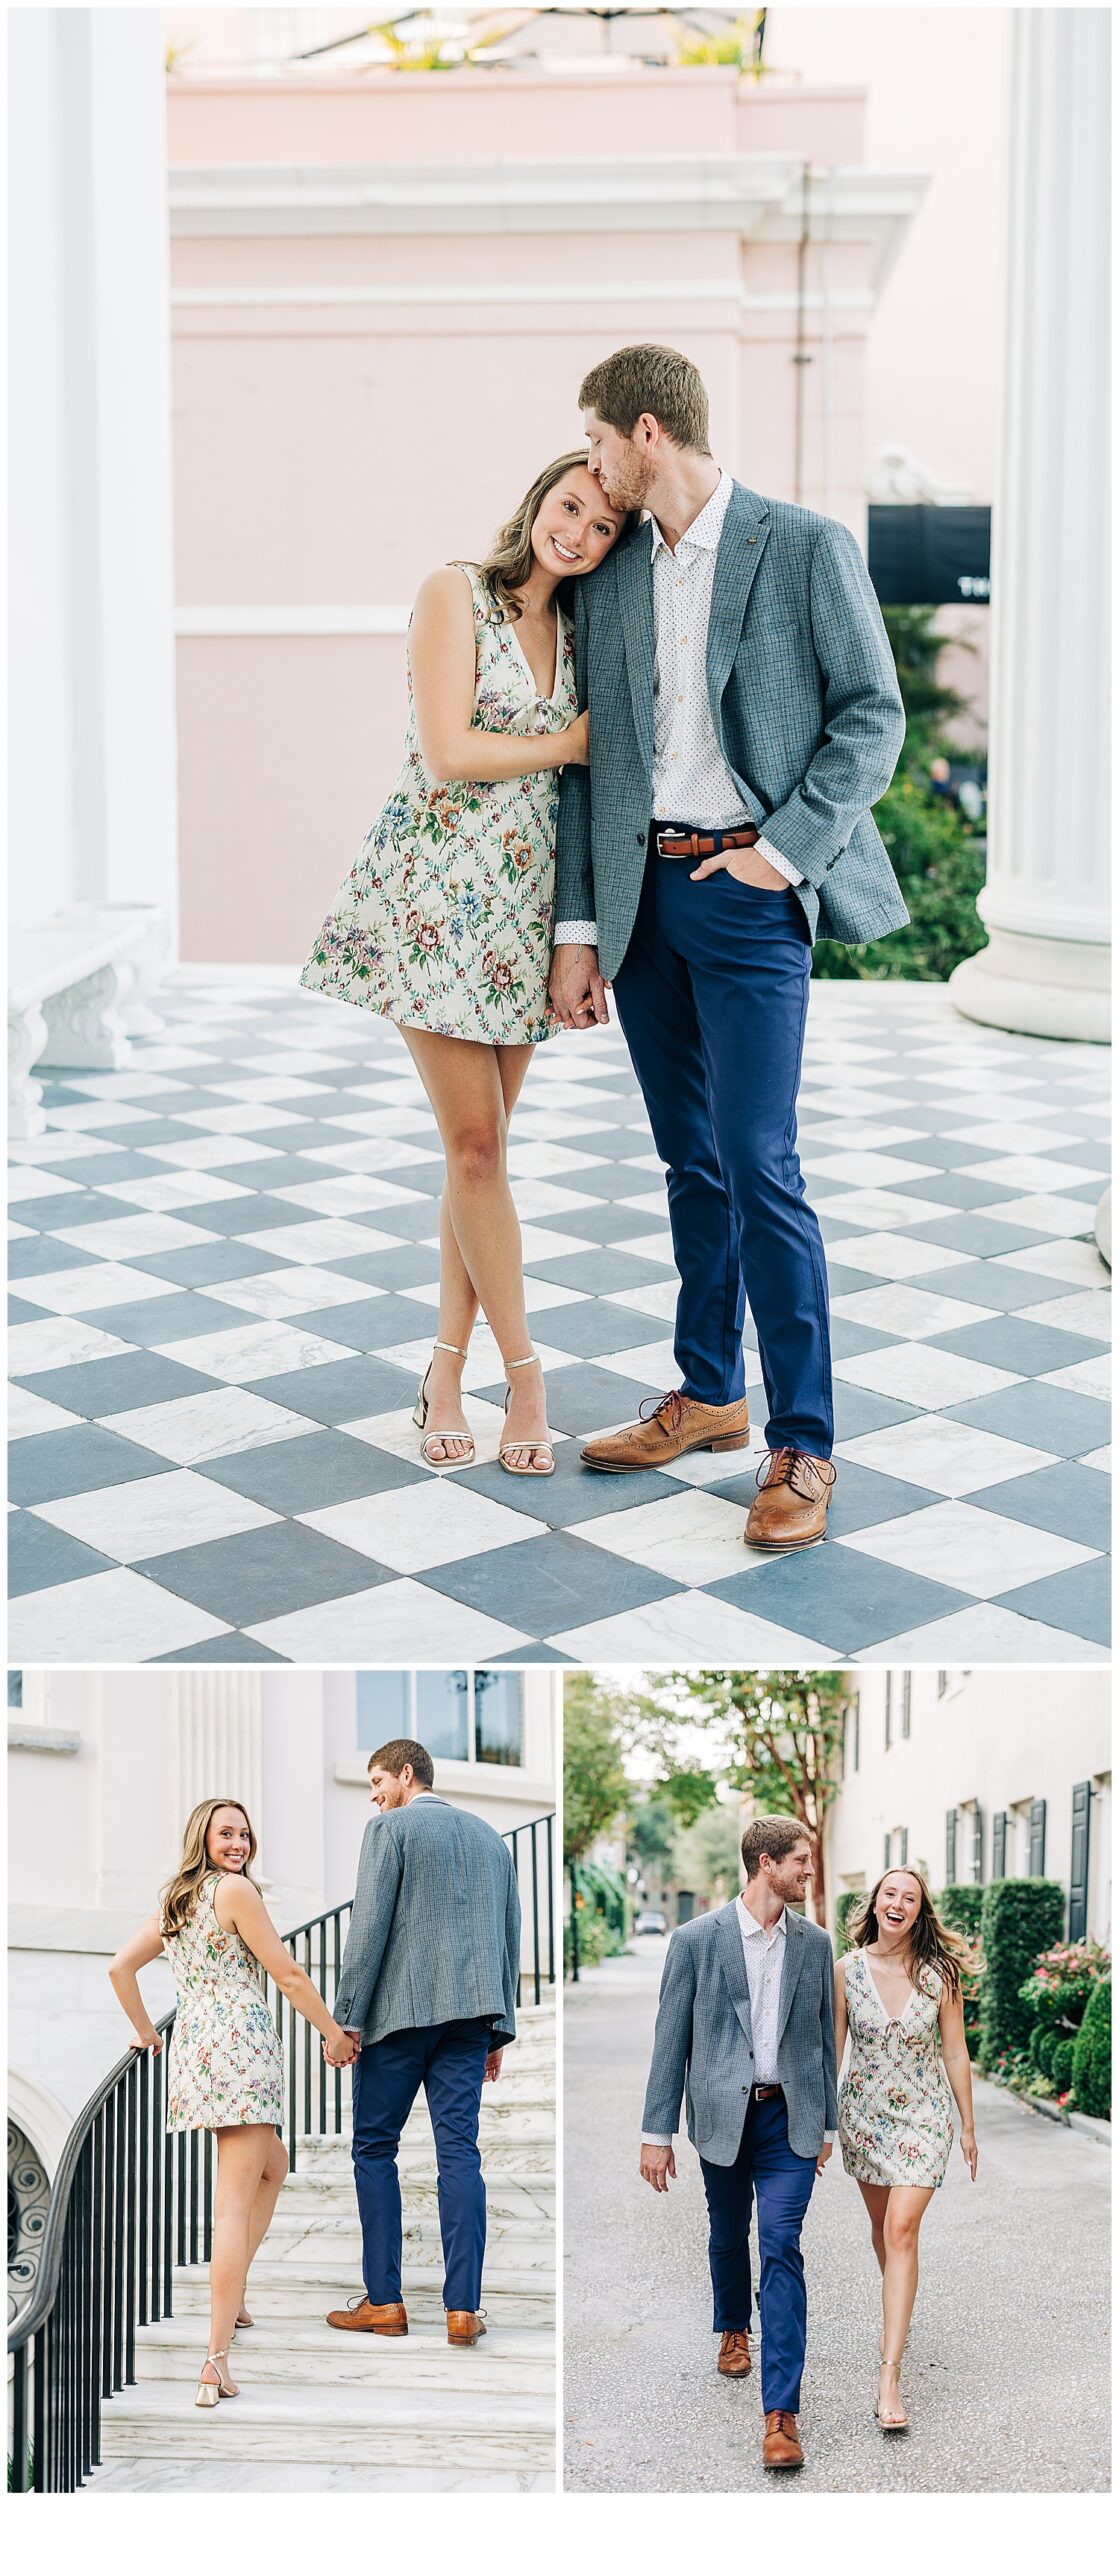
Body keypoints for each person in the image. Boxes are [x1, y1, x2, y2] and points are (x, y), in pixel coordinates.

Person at [549, 343, 909, 1548]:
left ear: (648, 431)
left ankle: (802, 1445)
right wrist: (583, 927)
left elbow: (873, 714)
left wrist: (783, 853)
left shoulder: (804, 548)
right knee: (689, 1165)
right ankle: (708, 1394)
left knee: (760, 1163)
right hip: (644, 899)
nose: (592, 471)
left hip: (752, 889)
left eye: (598, 444)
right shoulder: (612, 578)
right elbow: (594, 760)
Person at [302, 456, 629, 1478]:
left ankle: (445, 1368)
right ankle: (525, 1375)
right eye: (568, 506)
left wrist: (578, 933)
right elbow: (448, 749)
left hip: (519, 917)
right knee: (478, 1149)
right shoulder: (456, 592)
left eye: (602, 526)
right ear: (538, 502)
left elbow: (582, 794)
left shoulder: (582, 636)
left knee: (474, 1160)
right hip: (434, 896)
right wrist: (574, 741)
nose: (576, 531)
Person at [108, 1798, 356, 2408]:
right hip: (240, 2047)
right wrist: (332, 2033)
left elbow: (120, 1969)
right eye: (227, 1833)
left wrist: (146, 2032)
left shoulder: (178, 1899)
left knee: (275, 2165)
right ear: (204, 1837)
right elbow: (289, 1975)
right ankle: (214, 2360)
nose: (239, 1842)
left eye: (245, 1833)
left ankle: (234, 2294)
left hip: (197, 2048)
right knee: (231, 2208)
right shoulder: (235, 1891)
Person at [639, 1816, 837, 2473]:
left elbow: (818, 2040)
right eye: (800, 1861)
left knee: (780, 2244)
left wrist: (827, 2123)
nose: (809, 1871)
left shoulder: (814, 1944)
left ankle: (780, 2415)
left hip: (789, 2119)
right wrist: (655, 2133)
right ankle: (732, 2325)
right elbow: (671, 2039)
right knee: (727, 2233)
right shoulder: (696, 1940)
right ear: (763, 1864)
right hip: (724, 2116)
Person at [323, 1739, 521, 2348]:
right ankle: (463, 2310)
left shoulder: (389, 1832)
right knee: (459, 2152)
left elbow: (369, 1928)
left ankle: (384, 2302)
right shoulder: (493, 1839)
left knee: (375, 2149)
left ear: (407, 1774)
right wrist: (498, 2030)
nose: (374, 1793)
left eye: (378, 1780)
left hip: (399, 2019)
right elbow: (508, 1937)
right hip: (469, 2020)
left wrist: (347, 2019)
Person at [836, 1868, 979, 2431]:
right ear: (875, 1904)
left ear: (920, 1912)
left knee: (901, 2230)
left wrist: (967, 2127)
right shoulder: (846, 1971)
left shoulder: (940, 1974)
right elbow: (834, 2048)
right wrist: (824, 2128)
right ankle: (897, 2307)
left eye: (910, 1898)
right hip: (866, 2119)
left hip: (924, 2118)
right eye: (890, 1894)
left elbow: (956, 2054)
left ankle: (889, 2377)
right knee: (883, 2231)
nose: (898, 1904)